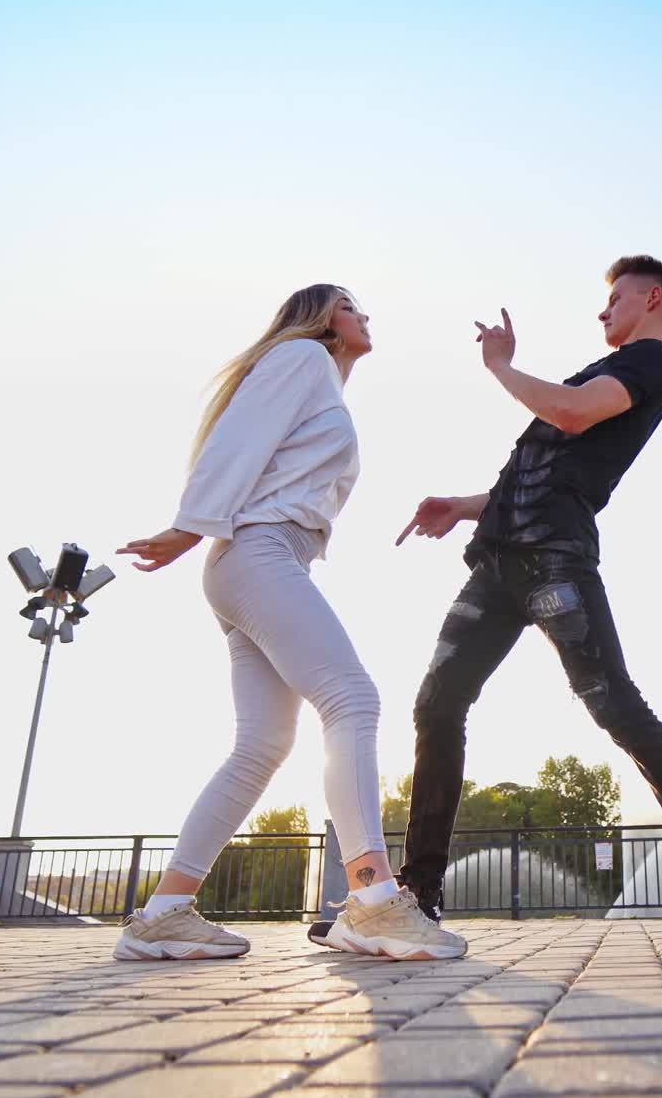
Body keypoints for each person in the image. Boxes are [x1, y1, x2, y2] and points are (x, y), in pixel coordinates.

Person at [395, 256, 662, 950]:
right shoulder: (603, 373)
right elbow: (552, 469)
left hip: (555, 563)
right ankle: (416, 897)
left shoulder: (649, 363)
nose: (602, 313)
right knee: (437, 705)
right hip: (498, 566)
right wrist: (467, 505)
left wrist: (502, 368)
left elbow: (569, 418)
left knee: (615, 705)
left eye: (614, 299)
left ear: (651, 298)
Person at [114, 283, 466, 961]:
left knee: (262, 745)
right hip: (258, 550)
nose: (365, 315)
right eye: (352, 304)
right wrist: (187, 529)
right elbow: (235, 443)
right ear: (322, 318)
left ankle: (164, 912)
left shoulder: (320, 383)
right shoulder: (302, 359)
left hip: (262, 559)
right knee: (352, 699)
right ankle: (371, 901)